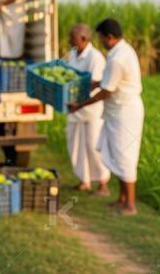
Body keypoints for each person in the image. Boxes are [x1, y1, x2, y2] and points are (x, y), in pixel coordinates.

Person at [68, 19, 144, 216]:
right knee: (116, 154)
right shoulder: (121, 51)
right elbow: (108, 81)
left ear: (109, 37)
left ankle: (130, 205)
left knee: (125, 156)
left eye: (101, 37)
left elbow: (107, 91)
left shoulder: (117, 57)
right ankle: (121, 199)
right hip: (116, 112)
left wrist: (80, 104)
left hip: (124, 112)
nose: (99, 41)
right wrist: (93, 84)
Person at [66, 24, 111, 195]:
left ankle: (103, 183)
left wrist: (79, 100)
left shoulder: (95, 57)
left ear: (84, 39)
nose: (70, 40)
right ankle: (84, 180)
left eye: (73, 37)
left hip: (90, 109)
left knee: (94, 146)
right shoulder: (72, 54)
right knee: (75, 145)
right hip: (74, 108)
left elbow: (95, 85)